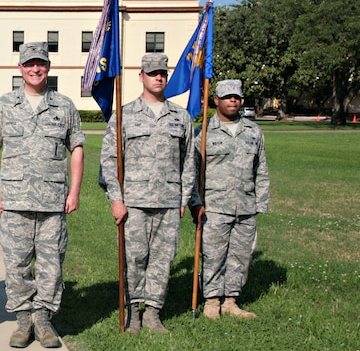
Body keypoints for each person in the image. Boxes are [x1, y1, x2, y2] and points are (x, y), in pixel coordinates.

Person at [0, 42, 85, 349]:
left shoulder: (64, 106)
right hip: (14, 200)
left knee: (52, 264)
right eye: (29, 64)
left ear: (48, 67)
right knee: (16, 264)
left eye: (40, 63)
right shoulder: (5, 105)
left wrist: (75, 191)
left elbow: (77, 148)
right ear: (21, 69)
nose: (35, 69)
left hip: (53, 201)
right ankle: (23, 320)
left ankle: (43, 319)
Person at [99, 53, 195, 334]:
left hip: (168, 201)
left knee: (163, 259)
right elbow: (109, 160)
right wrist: (116, 198)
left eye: (162, 74)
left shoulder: (180, 117)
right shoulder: (124, 115)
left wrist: (183, 198)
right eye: (152, 73)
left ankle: (153, 311)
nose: (158, 78)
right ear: (141, 76)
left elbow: (189, 161)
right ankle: (133, 312)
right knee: (134, 258)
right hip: (134, 203)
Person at [189, 79, 269, 319]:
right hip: (214, 207)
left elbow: (261, 169)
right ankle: (212, 301)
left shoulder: (253, 132)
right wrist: (195, 203)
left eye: (236, 97)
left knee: (240, 255)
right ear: (216, 101)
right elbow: (192, 171)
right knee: (213, 255)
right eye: (227, 97)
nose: (232, 100)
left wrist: (260, 203)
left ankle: (231, 300)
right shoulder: (202, 133)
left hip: (245, 205)